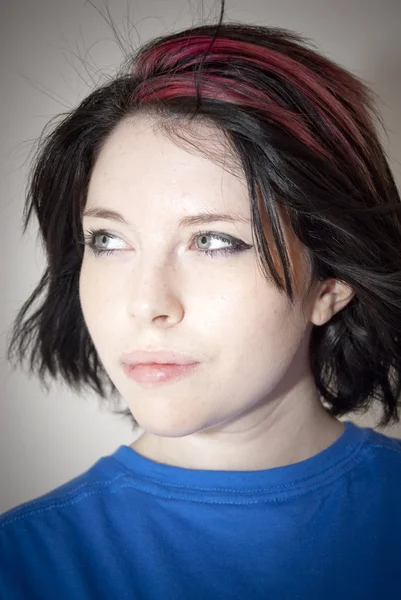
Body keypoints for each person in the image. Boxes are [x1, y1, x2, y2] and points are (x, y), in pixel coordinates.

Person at [1, 3, 401, 598]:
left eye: (214, 241)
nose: (146, 304)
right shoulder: (22, 566)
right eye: (108, 240)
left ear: (331, 282)